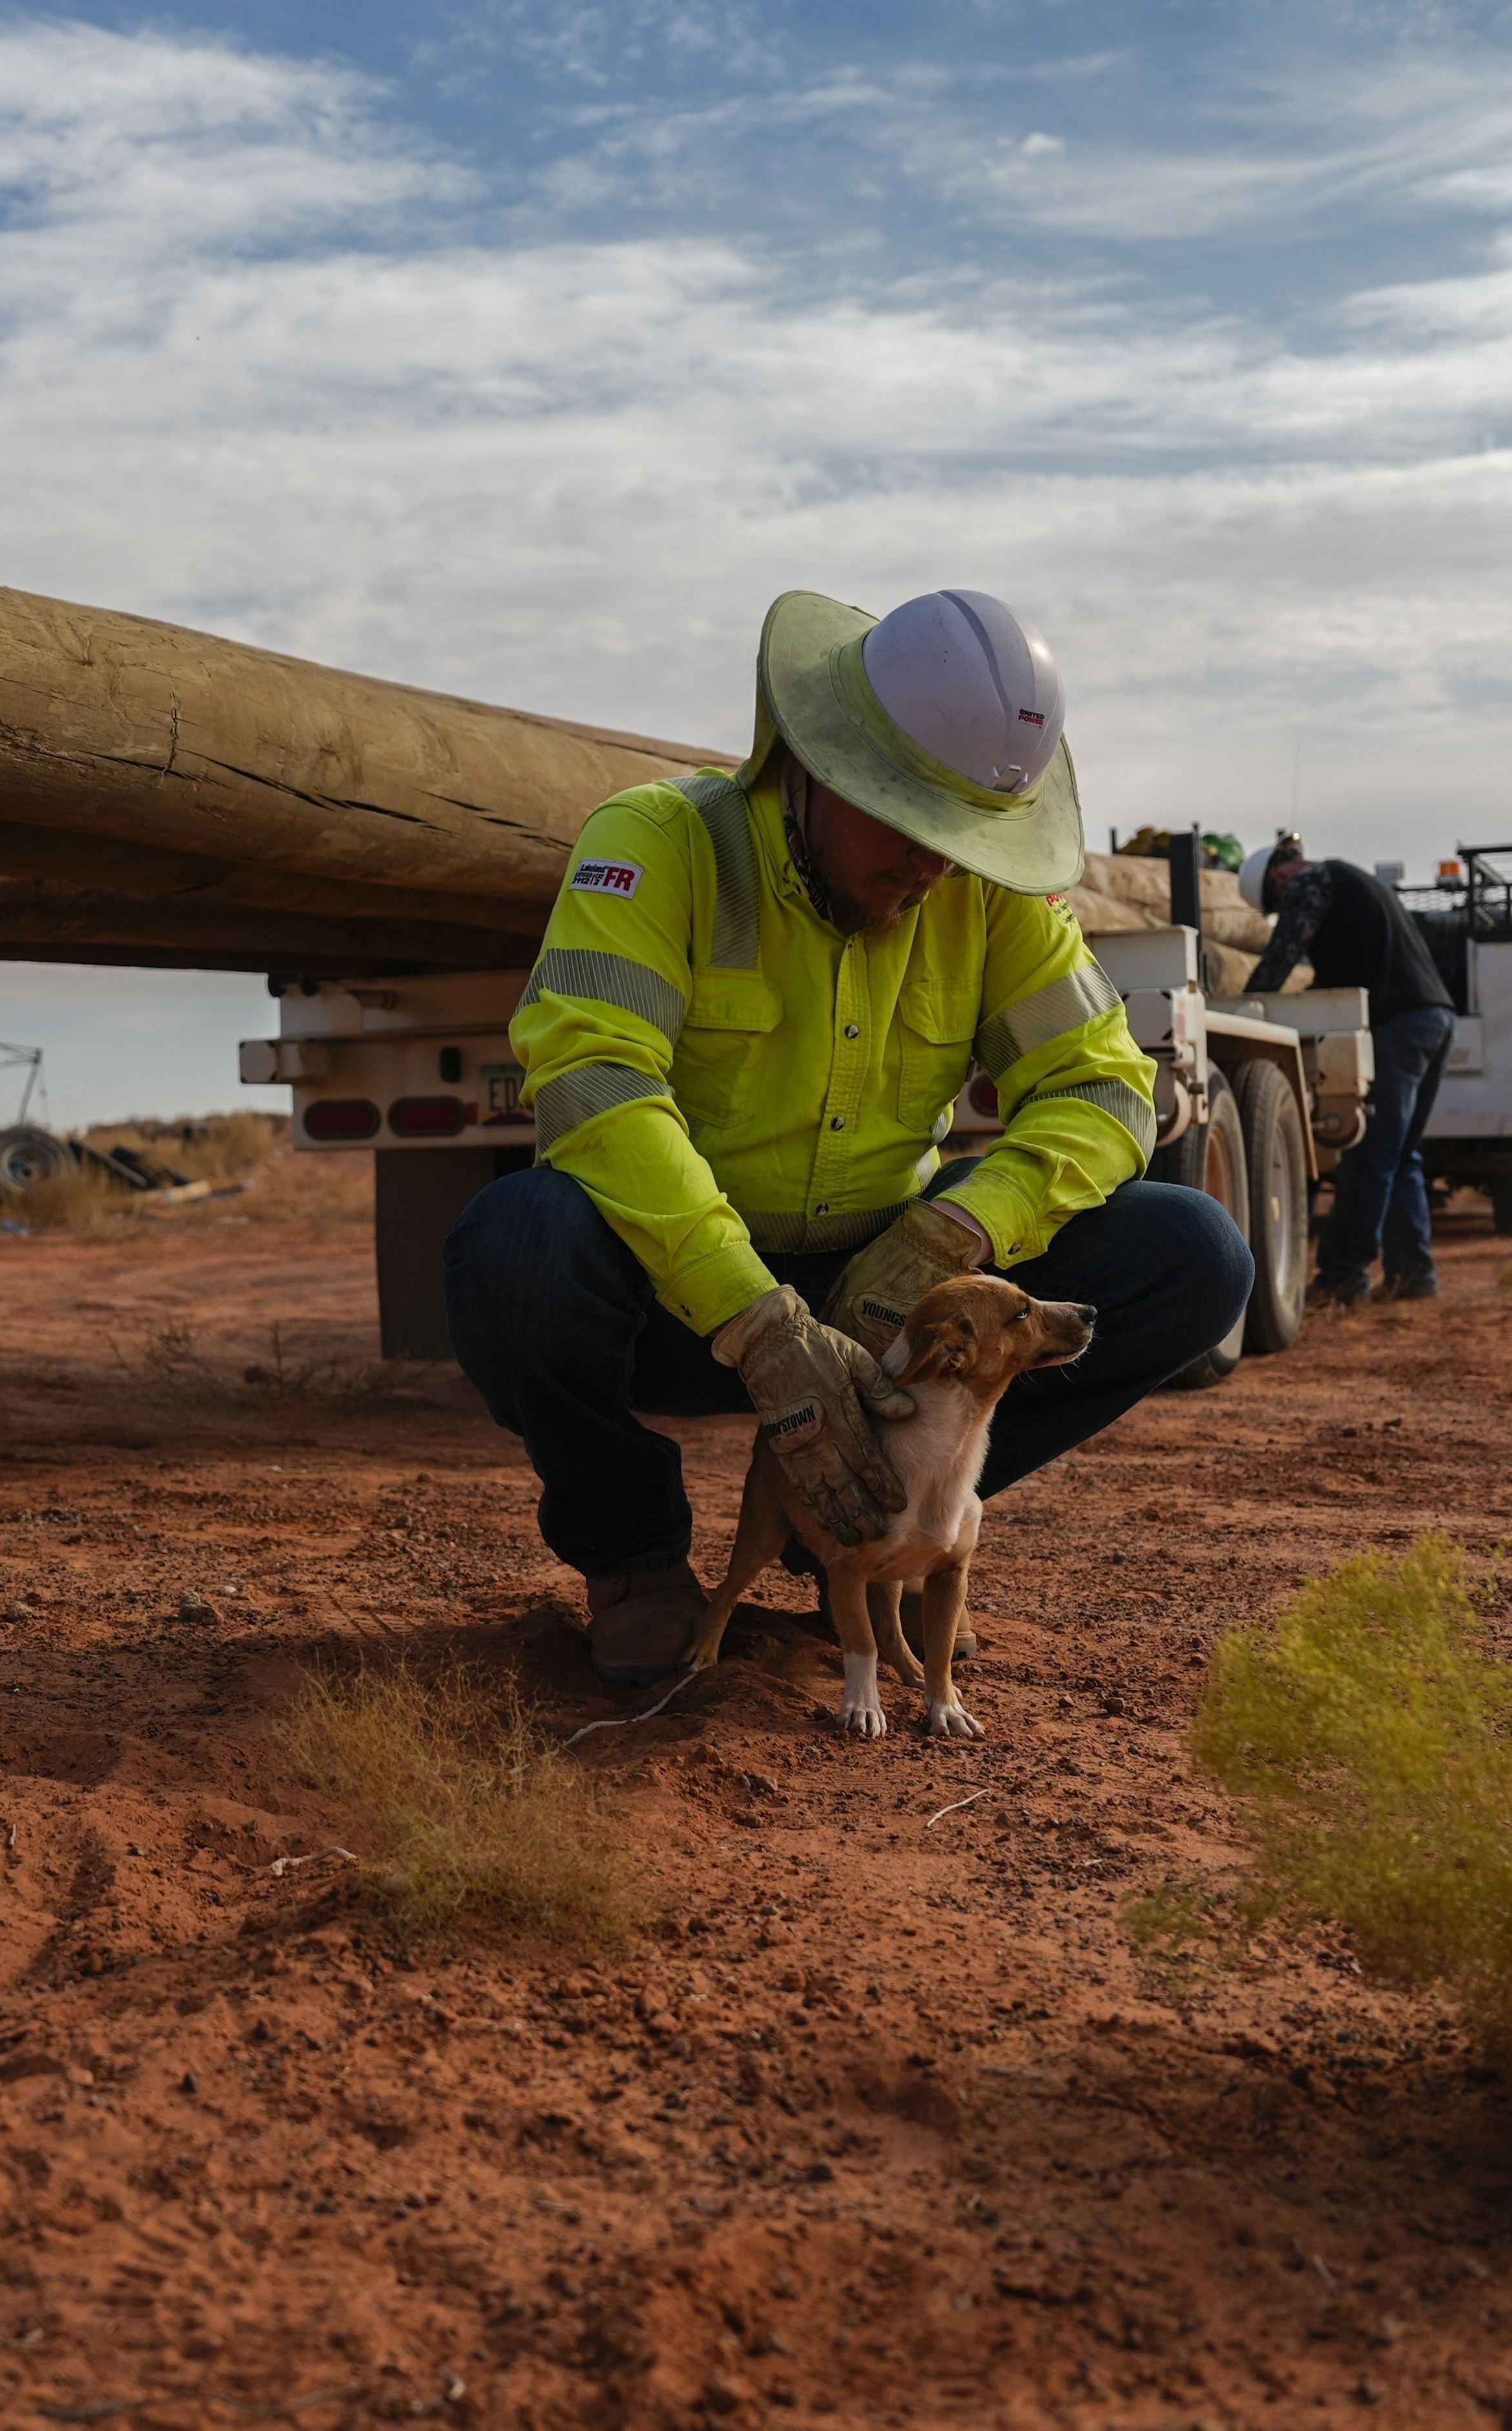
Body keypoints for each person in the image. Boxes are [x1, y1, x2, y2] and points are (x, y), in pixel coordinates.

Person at [442, 588, 1253, 1688]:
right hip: (682, 1296)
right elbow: (596, 1083)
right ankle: (636, 1561)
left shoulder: (982, 894)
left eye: (967, 841)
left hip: (886, 1297)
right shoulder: (659, 845)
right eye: (917, 829)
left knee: (1194, 1253)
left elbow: (1107, 1090)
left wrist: (953, 1236)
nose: (937, 867)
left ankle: (887, 1534)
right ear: (818, 767)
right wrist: (760, 1327)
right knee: (518, 1244)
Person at [1242, 833, 1458, 1303]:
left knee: (1370, 1157)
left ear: (1279, 877)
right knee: (1402, 1157)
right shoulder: (1353, 883)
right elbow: (1339, 969)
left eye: (1276, 904)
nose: (1284, 908)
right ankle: (1412, 1274)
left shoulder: (1312, 881)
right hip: (1436, 1017)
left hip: (1399, 1022)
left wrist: (1246, 1008)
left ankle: (1342, 1278)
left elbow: (1282, 955)